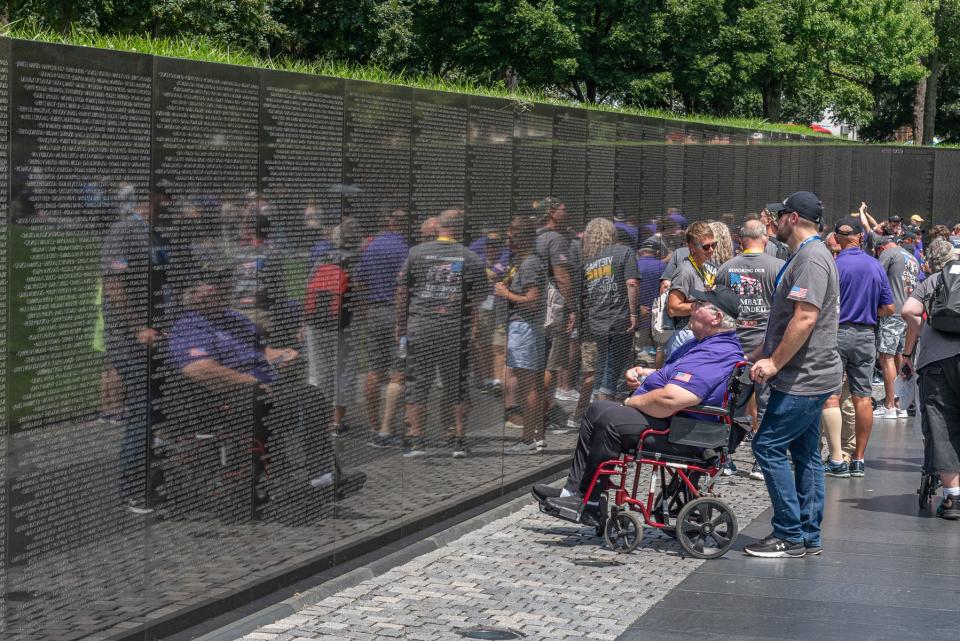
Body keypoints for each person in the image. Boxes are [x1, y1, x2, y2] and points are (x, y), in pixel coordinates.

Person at [535, 287, 744, 523]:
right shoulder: (701, 344)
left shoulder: (718, 351)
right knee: (596, 410)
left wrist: (631, 401)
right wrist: (646, 373)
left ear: (716, 318)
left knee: (610, 421)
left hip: (683, 432)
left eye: (698, 305)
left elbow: (673, 399)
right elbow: (676, 376)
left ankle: (590, 501)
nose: (691, 308)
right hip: (674, 422)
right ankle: (572, 492)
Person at [745, 191, 841, 559]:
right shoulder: (807, 256)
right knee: (805, 454)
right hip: (808, 374)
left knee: (766, 446)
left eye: (779, 215)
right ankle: (807, 534)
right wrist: (760, 353)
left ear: (794, 218)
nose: (774, 222)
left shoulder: (812, 259)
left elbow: (805, 318)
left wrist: (774, 363)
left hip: (804, 377)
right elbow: (790, 319)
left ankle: (788, 533)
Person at [395, 209, 487, 458]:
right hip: (454, 328)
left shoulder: (416, 253)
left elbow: (402, 291)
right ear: (459, 229)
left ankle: (417, 440)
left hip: (421, 327)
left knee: (417, 384)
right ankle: (457, 438)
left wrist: (400, 324)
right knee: (455, 385)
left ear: (439, 228)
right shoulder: (470, 257)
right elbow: (479, 296)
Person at [820, 217, 894, 479]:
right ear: (860, 237)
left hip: (836, 333)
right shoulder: (875, 265)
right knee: (862, 398)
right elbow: (889, 308)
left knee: (830, 395)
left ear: (837, 239)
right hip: (865, 335)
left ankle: (836, 457)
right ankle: (859, 459)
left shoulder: (833, 264)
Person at [715, 219, 784, 479]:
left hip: (735, 346)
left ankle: (725, 458)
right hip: (766, 348)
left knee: (731, 404)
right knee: (766, 405)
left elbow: (718, 311)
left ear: (741, 240)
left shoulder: (726, 268)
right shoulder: (778, 267)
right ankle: (760, 462)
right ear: (765, 238)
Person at [902, 238, 960, 520]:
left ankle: (953, 498)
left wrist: (927, 330)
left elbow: (907, 311)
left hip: (936, 360)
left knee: (941, 423)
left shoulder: (935, 280)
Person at [356, 209, 410, 447]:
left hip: (375, 310)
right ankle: (387, 430)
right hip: (398, 313)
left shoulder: (371, 246)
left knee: (374, 371)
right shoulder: (405, 248)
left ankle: (373, 426)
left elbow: (359, 282)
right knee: (398, 373)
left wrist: (365, 309)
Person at [496, 216, 548, 454]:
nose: (509, 241)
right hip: (526, 328)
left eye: (511, 236)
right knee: (532, 384)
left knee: (528, 386)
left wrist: (505, 293)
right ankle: (534, 436)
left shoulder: (529, 263)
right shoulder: (526, 261)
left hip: (525, 328)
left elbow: (532, 299)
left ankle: (528, 439)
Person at [578, 218, 639, 402]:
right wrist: (634, 313)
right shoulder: (624, 252)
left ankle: (596, 406)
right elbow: (632, 283)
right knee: (612, 368)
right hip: (619, 318)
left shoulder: (589, 260)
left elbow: (584, 294)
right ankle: (602, 412)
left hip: (597, 320)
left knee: (603, 364)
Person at [874, 234, 921, 418]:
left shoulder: (889, 254)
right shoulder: (912, 258)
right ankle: (902, 403)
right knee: (902, 357)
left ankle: (889, 405)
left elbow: (876, 277)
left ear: (881, 248)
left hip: (891, 312)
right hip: (909, 312)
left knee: (886, 357)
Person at [665, 221, 717, 357]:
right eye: (706, 247)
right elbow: (672, 308)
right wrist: (704, 304)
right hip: (685, 336)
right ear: (692, 247)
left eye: (714, 245)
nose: (711, 250)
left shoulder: (704, 267)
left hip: (699, 334)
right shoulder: (685, 271)